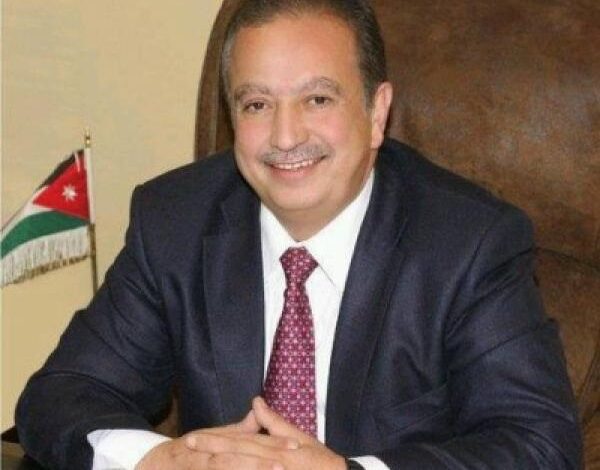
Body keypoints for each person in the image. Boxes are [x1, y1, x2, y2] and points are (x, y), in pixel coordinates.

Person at [16, 0, 582, 469]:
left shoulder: (469, 242)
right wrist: (156, 460)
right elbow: (58, 396)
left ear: (377, 112)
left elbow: (540, 445)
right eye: (257, 104)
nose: (285, 137)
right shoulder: (175, 221)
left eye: (317, 99)